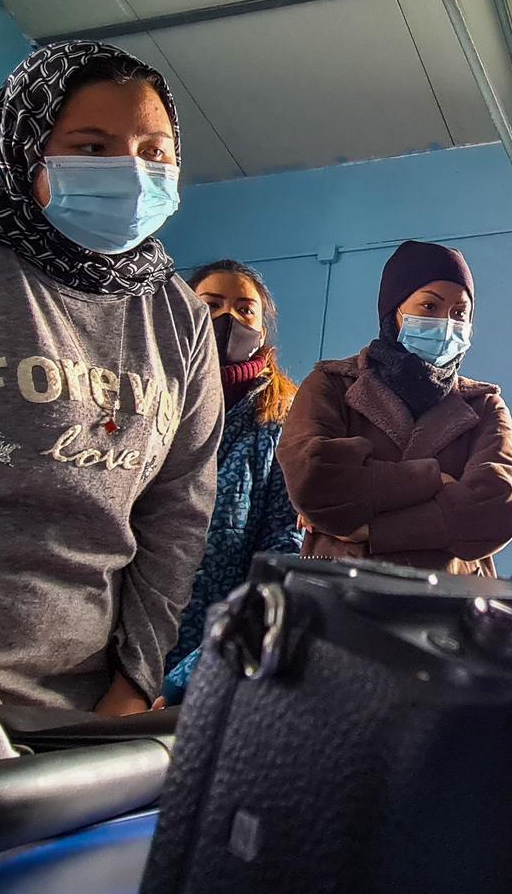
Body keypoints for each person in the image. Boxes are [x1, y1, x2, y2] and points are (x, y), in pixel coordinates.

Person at [0, 41, 222, 718]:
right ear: (27, 147)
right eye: (93, 147)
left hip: (92, 708)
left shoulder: (178, 314)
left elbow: (178, 514)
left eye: (155, 151)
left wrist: (133, 679)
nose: (132, 169)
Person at [278, 240, 512, 575]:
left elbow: (496, 510)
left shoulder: (484, 406)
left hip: (453, 603)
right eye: (429, 306)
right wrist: (438, 480)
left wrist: (376, 531)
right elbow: (316, 482)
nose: (447, 323)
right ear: (393, 311)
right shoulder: (330, 384)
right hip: (342, 595)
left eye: (459, 313)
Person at [159, 260, 301, 705]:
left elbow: (284, 552)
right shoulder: (147, 399)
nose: (229, 318)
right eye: (212, 304)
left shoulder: (285, 418)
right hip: (111, 653)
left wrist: (194, 674)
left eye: (245, 309)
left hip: (213, 669)